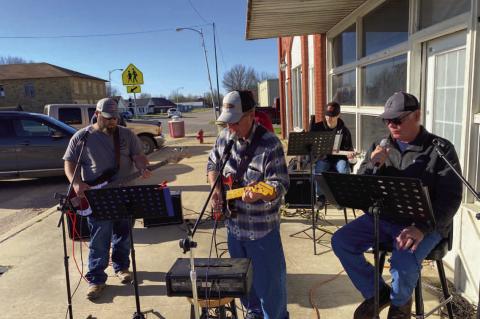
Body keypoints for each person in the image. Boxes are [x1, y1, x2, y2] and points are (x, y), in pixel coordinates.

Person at [331, 92, 463, 319]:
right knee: (341, 241)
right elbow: (362, 186)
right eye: (387, 120)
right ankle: (378, 293)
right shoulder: (380, 145)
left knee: (402, 261)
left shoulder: (440, 149)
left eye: (397, 120)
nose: (391, 125)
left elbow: (451, 198)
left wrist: (421, 228)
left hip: (424, 223)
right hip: (385, 217)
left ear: (417, 116)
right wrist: (373, 165)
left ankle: (400, 306)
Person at [207, 90, 290, 319]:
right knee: (244, 282)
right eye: (227, 122)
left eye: (234, 122)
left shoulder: (270, 144)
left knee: (271, 289)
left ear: (251, 114)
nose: (230, 127)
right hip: (234, 228)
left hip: (262, 231)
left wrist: (262, 193)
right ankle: (252, 313)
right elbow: (212, 164)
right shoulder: (224, 137)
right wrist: (215, 188)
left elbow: (280, 183)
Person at [63, 97, 152, 300]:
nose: (112, 122)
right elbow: (69, 163)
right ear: (97, 114)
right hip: (97, 195)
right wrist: (76, 184)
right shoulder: (82, 137)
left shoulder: (127, 134)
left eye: (115, 118)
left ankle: (122, 267)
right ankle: (96, 278)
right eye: (108, 118)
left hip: (126, 192)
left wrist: (143, 166)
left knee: (123, 233)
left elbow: (138, 155)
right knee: (100, 237)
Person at [310, 101, 355, 209]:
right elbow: (310, 147)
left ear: (338, 115)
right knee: (319, 170)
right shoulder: (317, 128)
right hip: (322, 158)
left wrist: (351, 158)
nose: (329, 118)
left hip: (339, 158)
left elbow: (349, 150)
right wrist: (316, 154)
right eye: (327, 115)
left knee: (344, 169)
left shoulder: (344, 131)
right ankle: (321, 197)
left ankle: (341, 199)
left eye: (332, 116)